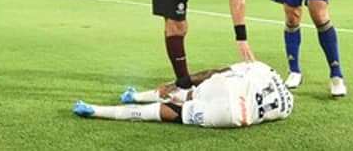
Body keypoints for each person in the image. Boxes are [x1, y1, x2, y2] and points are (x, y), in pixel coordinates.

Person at [74, 61, 293, 128]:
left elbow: (213, 73)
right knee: (173, 112)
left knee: (186, 94)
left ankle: (135, 97)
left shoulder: (261, 67)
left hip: (227, 94)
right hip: (236, 116)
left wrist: (172, 84)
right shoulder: (286, 107)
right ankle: (96, 111)